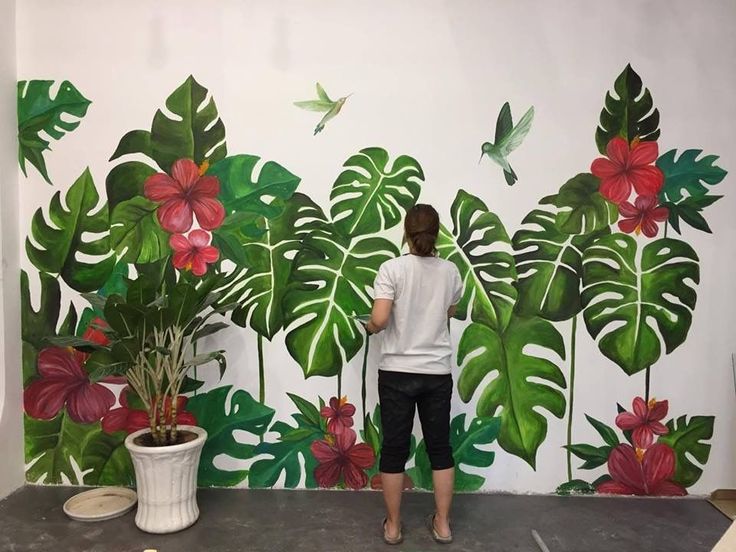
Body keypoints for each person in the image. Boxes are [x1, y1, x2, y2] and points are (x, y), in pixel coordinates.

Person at [364, 203, 463, 545]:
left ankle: (392, 527)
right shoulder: (450, 271)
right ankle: (444, 525)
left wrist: (369, 327)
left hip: (396, 373)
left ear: (406, 233)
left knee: (393, 449)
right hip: (436, 373)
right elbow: (451, 311)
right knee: (440, 448)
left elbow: (379, 319)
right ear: (437, 235)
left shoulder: (391, 269)